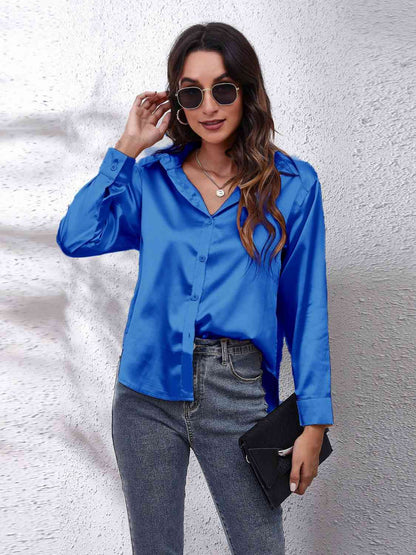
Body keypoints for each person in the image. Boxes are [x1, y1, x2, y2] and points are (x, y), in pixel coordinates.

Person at [56, 22, 334, 555]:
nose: (209, 106)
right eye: (192, 93)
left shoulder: (294, 185)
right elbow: (77, 236)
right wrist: (127, 147)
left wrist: (314, 421)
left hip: (237, 388)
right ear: (177, 103)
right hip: (145, 390)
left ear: (247, 92)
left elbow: (306, 308)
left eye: (223, 89)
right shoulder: (151, 179)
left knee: (260, 546)